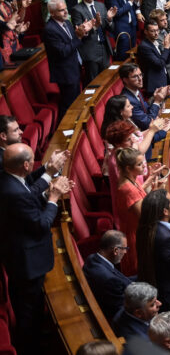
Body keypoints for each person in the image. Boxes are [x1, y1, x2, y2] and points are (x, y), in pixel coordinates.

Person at [0, 143, 70, 355]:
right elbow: (41, 224)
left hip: (19, 254)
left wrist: (48, 176)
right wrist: (54, 199)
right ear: (27, 165)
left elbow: (29, 191)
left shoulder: (8, 178)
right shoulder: (14, 192)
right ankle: (30, 348)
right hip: (26, 263)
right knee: (28, 312)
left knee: (32, 308)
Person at [115, 146, 167, 276]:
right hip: (137, 238)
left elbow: (139, 192)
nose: (144, 166)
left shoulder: (129, 180)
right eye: (139, 164)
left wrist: (151, 178)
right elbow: (146, 216)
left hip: (136, 232)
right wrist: (158, 192)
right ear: (128, 168)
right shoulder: (128, 189)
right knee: (142, 273)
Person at [43, 0, 88, 118]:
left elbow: (74, 42)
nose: (65, 12)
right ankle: (65, 131)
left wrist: (83, 32)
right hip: (65, 73)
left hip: (74, 67)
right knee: (69, 105)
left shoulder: (67, 22)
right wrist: (78, 37)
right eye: (61, 10)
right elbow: (63, 51)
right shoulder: (50, 29)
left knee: (76, 101)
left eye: (65, 8)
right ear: (52, 13)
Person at [70, 0, 116, 82]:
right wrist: (94, 27)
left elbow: (111, 29)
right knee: (94, 82)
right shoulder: (77, 10)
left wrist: (109, 19)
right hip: (90, 50)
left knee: (107, 80)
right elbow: (79, 34)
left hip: (104, 47)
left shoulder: (101, 5)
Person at [82, 229, 133, 320]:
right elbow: (123, 312)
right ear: (116, 250)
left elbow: (121, 280)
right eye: (125, 248)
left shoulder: (93, 258)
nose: (125, 252)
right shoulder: (109, 280)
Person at [136, 20, 170, 94]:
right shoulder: (144, 46)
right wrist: (166, 48)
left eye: (157, 30)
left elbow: (166, 60)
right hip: (154, 85)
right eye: (152, 31)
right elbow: (159, 64)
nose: (156, 33)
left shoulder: (156, 42)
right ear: (146, 32)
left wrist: (168, 45)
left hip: (163, 79)